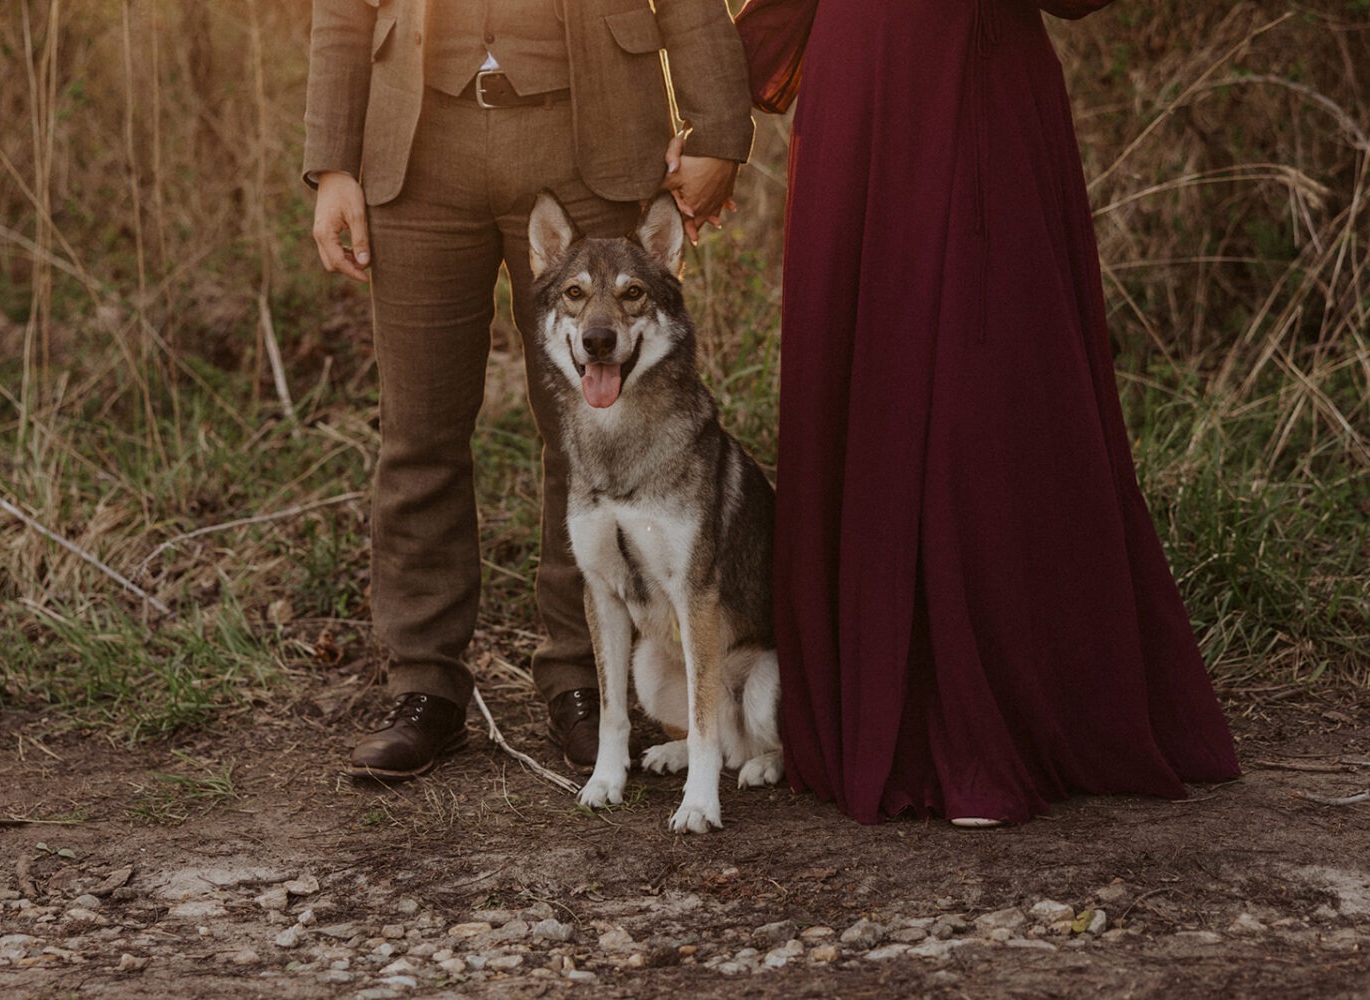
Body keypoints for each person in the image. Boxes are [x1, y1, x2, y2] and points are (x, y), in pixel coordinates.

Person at [734, 0, 1240, 826]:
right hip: (862, 93)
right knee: (880, 360)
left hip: (980, 89)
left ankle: (992, 725)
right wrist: (709, 111)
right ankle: (883, 717)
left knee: (988, 391)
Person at [303, 0, 753, 780]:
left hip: (590, 139)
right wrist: (332, 161)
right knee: (418, 432)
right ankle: (424, 687)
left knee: (595, 431)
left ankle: (581, 681)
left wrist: (719, 130)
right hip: (416, 148)